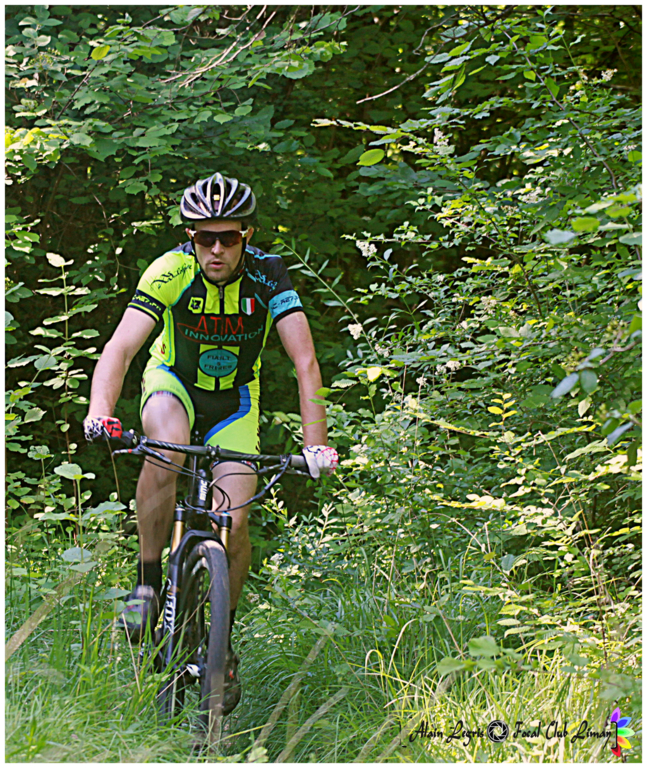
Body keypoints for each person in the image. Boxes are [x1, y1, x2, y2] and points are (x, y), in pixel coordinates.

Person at [83, 172, 338, 714]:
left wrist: (316, 445)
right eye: (204, 238)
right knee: (167, 448)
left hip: (235, 402)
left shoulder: (269, 276)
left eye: (228, 237)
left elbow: (305, 362)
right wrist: (100, 411)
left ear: (247, 236)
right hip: (173, 384)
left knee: (235, 521)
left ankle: (220, 638)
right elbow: (121, 348)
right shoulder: (170, 270)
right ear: (191, 238)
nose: (216, 249)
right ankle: (147, 583)